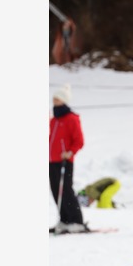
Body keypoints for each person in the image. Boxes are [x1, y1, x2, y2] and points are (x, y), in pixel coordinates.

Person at [49, 84, 87, 234]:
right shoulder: (54, 119)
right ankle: (64, 219)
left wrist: (70, 152)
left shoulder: (71, 118)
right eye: (54, 98)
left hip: (65, 160)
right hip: (52, 160)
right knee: (55, 190)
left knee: (66, 190)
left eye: (57, 98)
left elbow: (79, 140)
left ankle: (76, 221)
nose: (54, 101)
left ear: (64, 100)